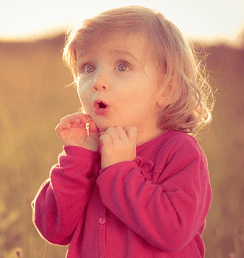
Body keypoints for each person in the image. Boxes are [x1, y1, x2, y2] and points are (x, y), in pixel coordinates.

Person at [32, 5, 214, 258]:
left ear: (167, 89)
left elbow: (175, 232)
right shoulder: (89, 154)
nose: (97, 81)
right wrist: (76, 162)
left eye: (122, 66)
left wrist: (119, 171)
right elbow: (53, 229)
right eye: (88, 68)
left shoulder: (179, 152)